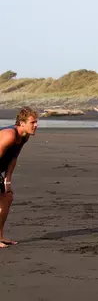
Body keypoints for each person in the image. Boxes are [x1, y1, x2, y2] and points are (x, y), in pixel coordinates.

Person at [0, 106, 38, 248]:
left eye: (36, 122)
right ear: (21, 123)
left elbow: (13, 158)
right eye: (32, 122)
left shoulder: (24, 136)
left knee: (7, 197)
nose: (36, 125)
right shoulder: (9, 135)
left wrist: (7, 180)